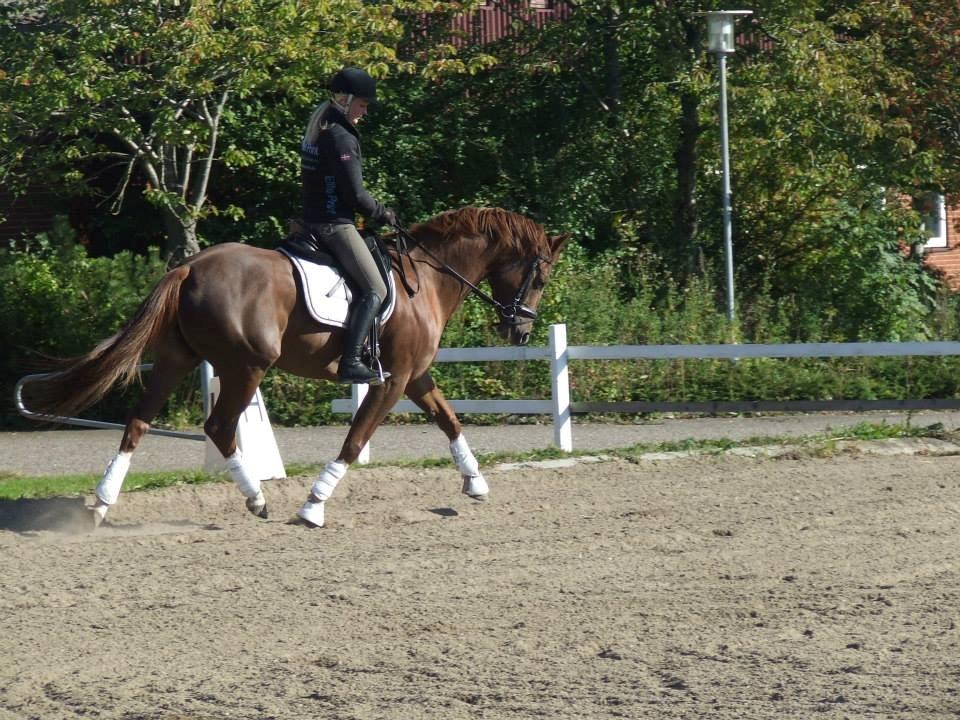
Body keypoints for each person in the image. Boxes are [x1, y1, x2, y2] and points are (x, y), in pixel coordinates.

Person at [301, 66, 397, 384]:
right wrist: (382, 212)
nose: (364, 112)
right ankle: (352, 361)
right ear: (346, 100)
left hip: (309, 221)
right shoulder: (341, 137)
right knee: (376, 288)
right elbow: (354, 194)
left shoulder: (321, 127)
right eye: (363, 105)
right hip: (333, 225)